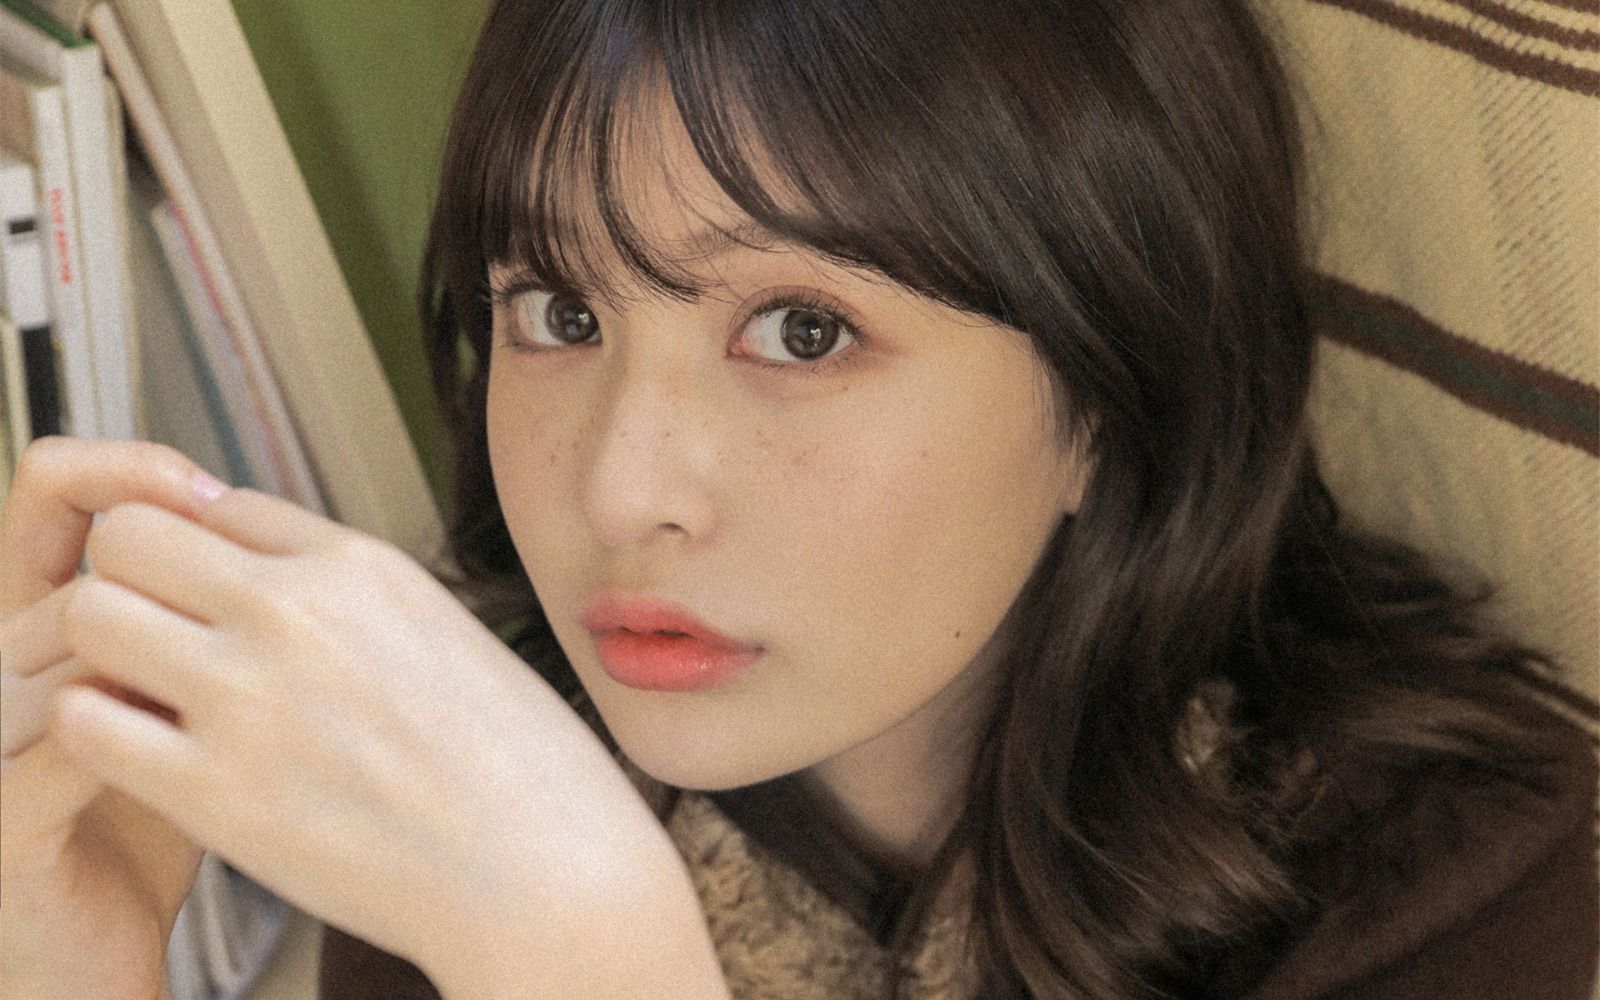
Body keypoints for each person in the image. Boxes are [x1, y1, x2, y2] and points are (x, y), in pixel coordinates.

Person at [1, 0, 1594, 998]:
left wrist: (584, 963)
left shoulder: (1465, 896)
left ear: (1112, 395)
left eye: (804, 333)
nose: (621, 487)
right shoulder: (467, 797)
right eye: (558, 311)